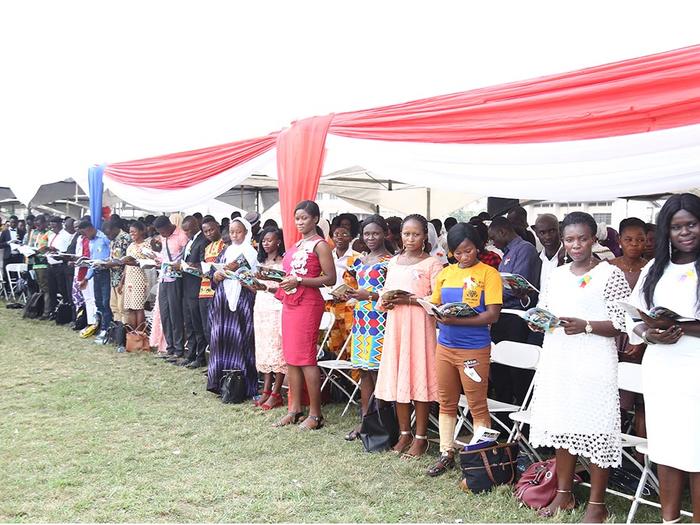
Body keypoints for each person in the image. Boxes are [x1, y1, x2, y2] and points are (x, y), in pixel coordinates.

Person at [528, 211, 630, 522]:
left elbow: (622, 322)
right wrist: (539, 322)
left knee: (596, 429)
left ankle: (597, 504)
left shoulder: (610, 274)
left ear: (593, 239)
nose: (576, 244)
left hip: (594, 358)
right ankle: (563, 496)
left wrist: (586, 325)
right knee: (562, 424)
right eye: (570, 239)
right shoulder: (557, 275)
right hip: (559, 357)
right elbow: (548, 311)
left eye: (582, 238)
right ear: (563, 240)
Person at [626, 193, 700, 523]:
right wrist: (647, 333)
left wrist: (683, 328)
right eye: (676, 226)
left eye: (692, 224)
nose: (685, 232)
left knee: (697, 449)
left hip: (695, 365)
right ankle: (669, 519)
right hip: (661, 368)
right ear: (666, 231)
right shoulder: (656, 269)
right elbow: (634, 316)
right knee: (666, 447)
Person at [426, 223, 503, 476]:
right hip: (445, 345)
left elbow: (492, 315)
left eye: (468, 251)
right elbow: (435, 303)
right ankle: (446, 451)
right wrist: (432, 310)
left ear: (477, 247)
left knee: (476, 404)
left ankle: (481, 457)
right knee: (446, 401)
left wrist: (456, 320)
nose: (463, 257)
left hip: (474, 349)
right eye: (457, 253)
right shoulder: (446, 273)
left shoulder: (489, 273)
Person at [375, 214, 443, 459]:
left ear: (425, 236)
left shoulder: (432, 264)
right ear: (399, 236)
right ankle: (404, 433)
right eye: (406, 234)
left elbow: (438, 299)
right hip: (396, 325)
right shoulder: (393, 262)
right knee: (398, 377)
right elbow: (383, 294)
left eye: (416, 234)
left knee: (419, 376)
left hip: (419, 325)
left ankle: (421, 437)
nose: (410, 238)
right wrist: (388, 301)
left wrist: (412, 300)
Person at [274, 200, 336, 430]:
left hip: (308, 303)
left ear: (315, 219)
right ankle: (294, 409)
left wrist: (300, 280)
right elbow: (289, 274)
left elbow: (330, 278)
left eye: (304, 218)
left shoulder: (320, 245)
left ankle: (316, 414)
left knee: (306, 357)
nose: (300, 222)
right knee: (291, 357)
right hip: (290, 301)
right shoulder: (297, 244)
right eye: (297, 218)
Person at [343, 215, 392, 441]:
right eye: (367, 234)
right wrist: (350, 294)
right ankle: (365, 419)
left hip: (380, 319)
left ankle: (380, 422)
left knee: (377, 371)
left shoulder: (390, 261)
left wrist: (370, 295)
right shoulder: (360, 261)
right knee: (364, 371)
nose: (371, 238)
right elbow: (358, 287)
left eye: (375, 233)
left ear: (385, 234)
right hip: (362, 318)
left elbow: (392, 294)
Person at [488, 216, 541, 405]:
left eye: (494, 237)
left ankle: (519, 410)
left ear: (503, 232)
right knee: (500, 366)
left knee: (516, 368)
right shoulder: (508, 252)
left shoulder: (524, 249)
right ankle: (504, 417)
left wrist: (490, 295)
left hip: (516, 317)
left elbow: (518, 283)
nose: (493, 242)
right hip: (502, 315)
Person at [207, 217, 259, 397]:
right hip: (223, 299)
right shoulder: (226, 250)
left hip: (242, 298)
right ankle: (221, 382)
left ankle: (243, 385)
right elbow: (213, 273)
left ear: (246, 232)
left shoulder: (252, 252)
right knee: (222, 338)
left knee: (242, 338)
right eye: (231, 232)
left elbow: (255, 278)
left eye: (238, 231)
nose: (235, 235)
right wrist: (217, 275)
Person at [610, 217, 649, 441]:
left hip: (643, 335)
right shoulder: (608, 267)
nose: (635, 244)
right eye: (629, 239)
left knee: (640, 397)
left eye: (640, 239)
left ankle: (641, 454)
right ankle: (615, 448)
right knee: (614, 397)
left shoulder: (652, 269)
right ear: (620, 240)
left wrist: (642, 341)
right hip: (614, 335)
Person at [251, 226, 287, 410]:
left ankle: (276, 391)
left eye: (270, 240)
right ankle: (266, 389)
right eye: (264, 240)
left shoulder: (284, 261)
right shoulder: (261, 261)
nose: (266, 243)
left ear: (278, 241)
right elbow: (257, 288)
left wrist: (268, 288)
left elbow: (285, 287)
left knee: (277, 348)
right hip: (261, 306)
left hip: (277, 307)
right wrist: (249, 282)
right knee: (264, 347)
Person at [152, 215, 189, 360]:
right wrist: (155, 258)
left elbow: (185, 258)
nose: (162, 234)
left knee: (175, 313)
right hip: (163, 277)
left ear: (169, 226)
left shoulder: (181, 236)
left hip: (176, 279)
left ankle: (179, 349)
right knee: (165, 312)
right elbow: (164, 256)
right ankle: (169, 347)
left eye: (163, 231)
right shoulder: (163, 237)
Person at [324, 223, 361, 354]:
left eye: (344, 234)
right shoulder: (327, 256)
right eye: (336, 235)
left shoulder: (357, 258)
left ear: (351, 238)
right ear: (332, 238)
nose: (340, 237)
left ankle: (353, 373)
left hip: (349, 305)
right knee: (334, 342)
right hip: (332, 303)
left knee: (350, 340)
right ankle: (338, 374)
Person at [178, 215, 209, 367]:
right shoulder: (190, 242)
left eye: (188, 230)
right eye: (184, 231)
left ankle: (200, 357)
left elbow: (204, 264)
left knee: (198, 325)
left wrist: (191, 265)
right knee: (189, 323)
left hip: (197, 287)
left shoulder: (203, 240)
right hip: (186, 286)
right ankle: (190, 354)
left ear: (196, 226)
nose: (186, 233)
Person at [196, 218, 226, 368]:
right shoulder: (207, 248)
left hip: (217, 291)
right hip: (204, 290)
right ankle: (212, 363)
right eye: (205, 231)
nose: (208, 233)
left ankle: (219, 363)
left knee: (217, 329)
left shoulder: (225, 245)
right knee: (207, 328)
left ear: (218, 227)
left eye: (211, 230)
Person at [77, 219, 113, 343]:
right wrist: (86, 278)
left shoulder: (104, 238)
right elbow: (92, 261)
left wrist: (105, 263)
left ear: (89, 229)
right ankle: (101, 327)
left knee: (106, 302)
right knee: (98, 302)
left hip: (106, 273)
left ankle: (107, 329)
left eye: (85, 233)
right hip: (96, 273)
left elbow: (112, 256)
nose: (85, 236)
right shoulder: (91, 242)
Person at [120, 221, 149, 332]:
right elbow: (126, 266)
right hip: (129, 278)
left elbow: (148, 262)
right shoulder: (131, 246)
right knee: (130, 307)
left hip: (139, 277)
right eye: (130, 232)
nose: (131, 234)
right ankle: (131, 333)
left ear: (141, 231)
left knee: (138, 306)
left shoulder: (146, 245)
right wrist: (122, 281)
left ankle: (140, 333)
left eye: (134, 231)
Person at [105, 218, 131, 325]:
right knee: (114, 306)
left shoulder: (126, 238)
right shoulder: (113, 240)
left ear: (115, 229)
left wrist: (110, 263)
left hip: (123, 279)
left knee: (123, 307)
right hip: (113, 278)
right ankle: (117, 333)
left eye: (108, 234)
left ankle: (124, 335)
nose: (107, 237)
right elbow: (113, 257)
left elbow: (128, 260)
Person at [45, 216, 72, 316]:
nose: (53, 228)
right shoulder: (51, 235)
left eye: (54, 225)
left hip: (60, 265)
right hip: (50, 264)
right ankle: (53, 311)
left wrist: (57, 252)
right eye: (51, 226)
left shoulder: (66, 235)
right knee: (52, 290)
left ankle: (65, 312)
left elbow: (67, 252)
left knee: (63, 289)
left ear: (60, 224)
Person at [534, 213, 565, 297]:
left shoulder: (570, 257)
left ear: (560, 231)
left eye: (552, 231)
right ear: (536, 234)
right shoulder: (536, 260)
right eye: (542, 233)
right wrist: (524, 297)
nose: (547, 237)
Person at [26, 215, 51, 319]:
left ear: (45, 223)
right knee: (38, 287)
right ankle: (37, 309)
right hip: (34, 262)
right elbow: (30, 245)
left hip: (44, 263)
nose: (37, 226)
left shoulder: (49, 233)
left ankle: (46, 312)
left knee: (45, 288)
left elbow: (49, 247)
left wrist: (40, 251)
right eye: (36, 224)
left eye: (39, 224)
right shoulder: (34, 232)